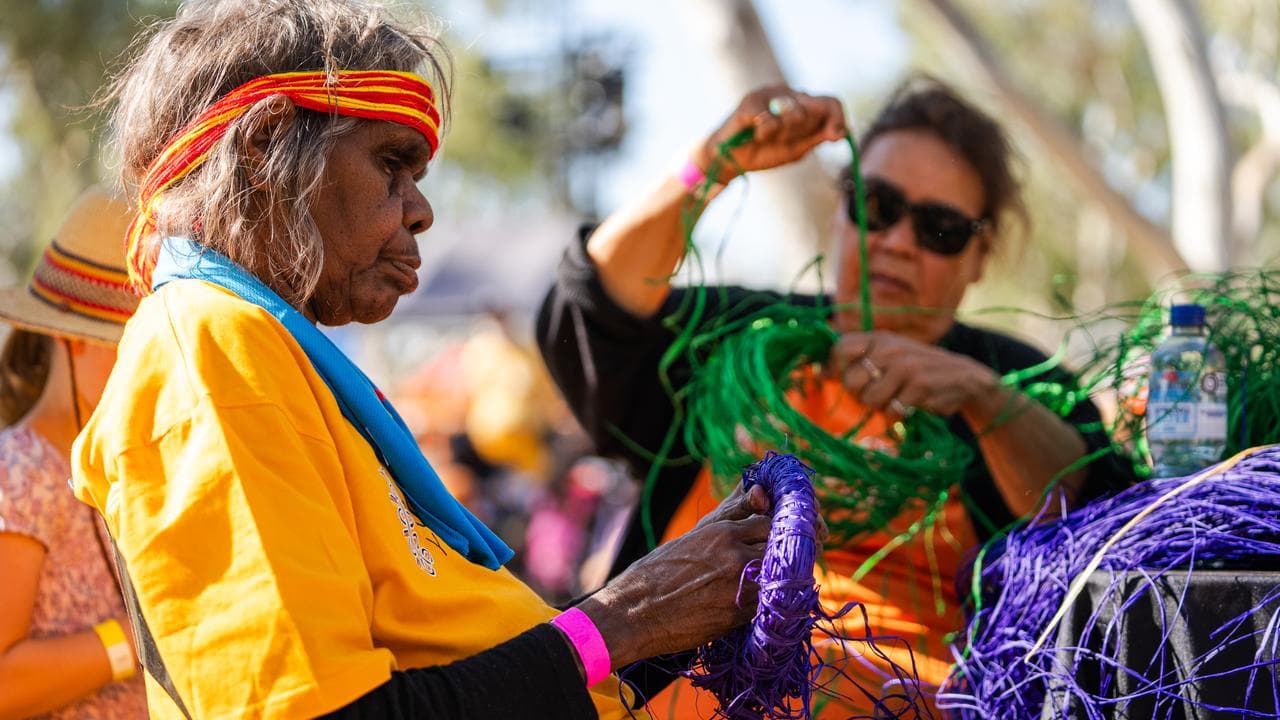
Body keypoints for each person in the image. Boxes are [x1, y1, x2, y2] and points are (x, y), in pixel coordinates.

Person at [69, 2, 793, 719]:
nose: (421, 210)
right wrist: (625, 620)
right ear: (262, 149)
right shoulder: (207, 346)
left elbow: (468, 664)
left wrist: (678, 598)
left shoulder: (260, 349)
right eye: (391, 164)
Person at [537, 78, 1128, 714]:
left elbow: (1095, 513)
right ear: (841, 210)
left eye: (941, 228)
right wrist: (712, 164)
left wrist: (982, 400)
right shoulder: (746, 337)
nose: (898, 240)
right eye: (876, 204)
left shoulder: (1012, 378)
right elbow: (589, 308)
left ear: (980, 257)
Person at [0, 187, 147, 718]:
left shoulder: (116, 466)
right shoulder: (20, 472)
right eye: (130, 350)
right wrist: (135, 642)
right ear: (75, 339)